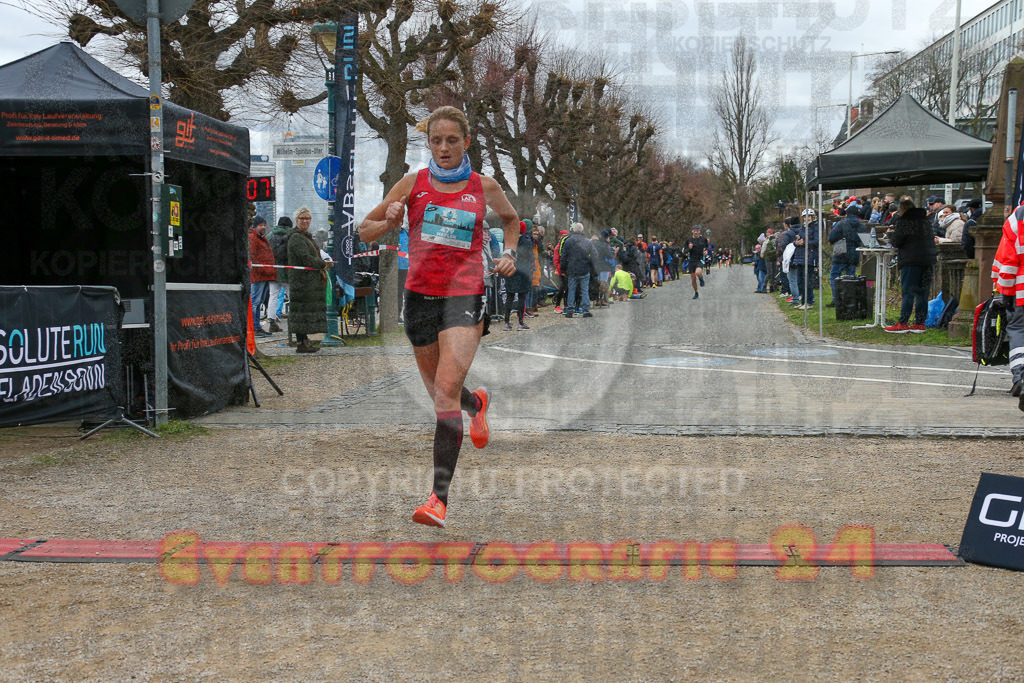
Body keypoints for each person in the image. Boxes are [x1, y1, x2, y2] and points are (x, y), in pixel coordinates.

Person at [358, 105, 518, 528]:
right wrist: (388, 220)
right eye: (435, 141)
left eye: (451, 140)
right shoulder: (412, 183)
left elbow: (512, 221)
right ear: (428, 144)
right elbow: (364, 230)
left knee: (443, 392)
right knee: (442, 395)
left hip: (465, 294)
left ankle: (437, 499)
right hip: (420, 297)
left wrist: (509, 252)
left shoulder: (484, 185)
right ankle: (476, 402)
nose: (443, 148)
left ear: (466, 142)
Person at [884, 197, 936, 333]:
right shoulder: (925, 221)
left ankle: (903, 322)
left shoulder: (905, 221)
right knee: (922, 292)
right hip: (928, 259)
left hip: (911, 260)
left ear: (903, 209)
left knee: (908, 292)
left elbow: (897, 241)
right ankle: (920, 322)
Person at [992, 202, 1024, 410]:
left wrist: (1003, 291)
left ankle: (1021, 376)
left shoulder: (1018, 217)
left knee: (1018, 330)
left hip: (1021, 291)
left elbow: (1008, 260)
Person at [286, 207, 327, 352]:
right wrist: (323, 264)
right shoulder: (296, 238)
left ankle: (304, 341)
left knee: (303, 313)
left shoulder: (305, 237)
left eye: (307, 218)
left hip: (306, 282)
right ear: (296, 220)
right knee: (301, 313)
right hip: (301, 282)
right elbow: (306, 258)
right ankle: (301, 343)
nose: (305, 221)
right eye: (302, 218)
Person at [502, 221, 534, 331]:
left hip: (510, 269)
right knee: (522, 297)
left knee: (509, 296)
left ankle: (506, 322)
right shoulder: (526, 241)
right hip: (523, 272)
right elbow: (531, 257)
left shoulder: (509, 240)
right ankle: (520, 322)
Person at [828, 206, 862, 306]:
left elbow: (831, 237)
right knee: (851, 278)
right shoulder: (861, 225)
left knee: (835, 276)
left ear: (847, 213)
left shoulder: (841, 224)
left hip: (841, 254)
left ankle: (836, 299)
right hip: (854, 254)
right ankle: (849, 300)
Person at [560, 222, 595, 317]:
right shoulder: (588, 242)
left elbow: (563, 257)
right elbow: (594, 255)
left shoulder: (568, 241)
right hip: (584, 268)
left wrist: (562, 269)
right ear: (582, 230)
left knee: (571, 289)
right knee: (584, 290)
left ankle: (570, 309)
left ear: (573, 230)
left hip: (572, 269)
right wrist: (591, 267)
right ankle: (585, 310)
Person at [248, 216, 275, 337]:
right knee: (255, 302)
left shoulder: (261, 238)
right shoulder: (254, 238)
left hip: (264, 274)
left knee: (258, 302)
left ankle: (257, 326)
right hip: (258, 275)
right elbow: (253, 257)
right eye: (261, 225)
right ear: (255, 226)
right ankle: (255, 327)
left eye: (264, 225)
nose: (263, 227)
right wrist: (265, 269)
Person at [684, 225, 708, 299]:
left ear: (699, 231)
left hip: (699, 259)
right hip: (691, 260)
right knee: (693, 278)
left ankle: (701, 278)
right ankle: (696, 292)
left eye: (697, 231)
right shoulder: (689, 240)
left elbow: (706, 248)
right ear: (692, 231)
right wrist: (689, 248)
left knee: (698, 272)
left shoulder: (703, 239)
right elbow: (685, 251)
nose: (696, 232)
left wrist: (706, 252)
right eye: (694, 231)